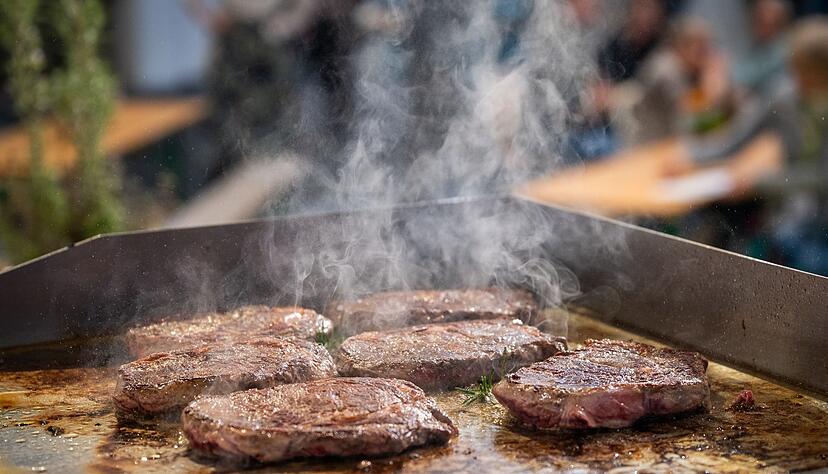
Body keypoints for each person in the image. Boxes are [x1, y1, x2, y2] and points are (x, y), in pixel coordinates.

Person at [668, 18, 828, 274]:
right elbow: (739, 137)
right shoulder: (785, 96)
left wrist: (759, 182)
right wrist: (693, 157)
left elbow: (820, 176)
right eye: (795, 72)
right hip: (794, 217)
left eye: (807, 76)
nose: (798, 83)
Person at [632, 17, 734, 143]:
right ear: (681, 47)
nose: (707, 54)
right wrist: (714, 91)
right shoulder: (666, 71)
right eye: (701, 48)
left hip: (675, 142)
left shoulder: (695, 68)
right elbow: (692, 125)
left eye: (709, 47)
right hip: (652, 145)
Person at [732, 0, 792, 96]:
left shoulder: (783, 48)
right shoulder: (757, 44)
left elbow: (747, 77)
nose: (758, 26)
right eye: (757, 20)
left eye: (766, 22)